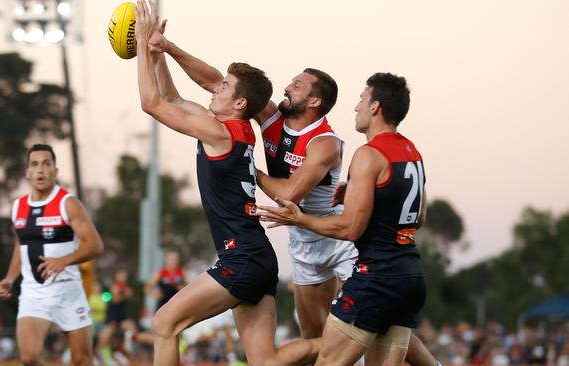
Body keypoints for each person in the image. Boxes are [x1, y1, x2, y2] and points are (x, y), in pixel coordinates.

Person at [149, 18, 439, 366]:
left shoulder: (325, 142)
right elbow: (215, 82)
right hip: (301, 241)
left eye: (297, 85)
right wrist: (169, 48)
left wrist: (247, 169)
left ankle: (432, 363)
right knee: (316, 336)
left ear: (314, 100)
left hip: (338, 238)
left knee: (369, 319)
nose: (287, 86)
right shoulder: (271, 118)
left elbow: (289, 194)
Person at [132, 1, 318, 364]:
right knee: (265, 361)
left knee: (164, 323)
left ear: (240, 102)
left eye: (225, 87)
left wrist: (140, 43)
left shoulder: (219, 133)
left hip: (244, 257)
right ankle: (340, 345)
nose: (215, 89)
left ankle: (344, 344)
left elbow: (151, 102)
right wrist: (158, 51)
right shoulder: (235, 127)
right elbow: (170, 97)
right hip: (258, 256)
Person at [257, 73, 428, 366]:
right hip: (410, 274)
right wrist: (362, 195)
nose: (356, 107)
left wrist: (301, 220)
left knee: (326, 360)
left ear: (375, 107)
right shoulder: (412, 151)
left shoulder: (369, 154)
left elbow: (350, 228)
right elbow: (418, 217)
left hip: (376, 276)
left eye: (362, 99)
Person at [0, 144, 104, 366]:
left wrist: (63, 261)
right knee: (29, 357)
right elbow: (20, 244)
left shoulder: (68, 204)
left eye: (47, 164)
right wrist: (9, 278)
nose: (41, 170)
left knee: (82, 360)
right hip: (34, 294)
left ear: (55, 170)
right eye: (34, 164)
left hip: (68, 292)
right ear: (27, 172)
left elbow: (95, 245)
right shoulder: (18, 207)